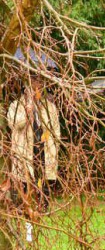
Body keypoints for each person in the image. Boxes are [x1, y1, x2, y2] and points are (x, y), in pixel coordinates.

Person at [7, 75, 60, 208]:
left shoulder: (50, 107)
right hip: (25, 148)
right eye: (34, 86)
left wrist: (55, 147)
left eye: (40, 86)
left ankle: (43, 204)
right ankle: (24, 204)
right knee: (25, 177)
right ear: (26, 88)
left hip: (44, 147)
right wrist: (27, 113)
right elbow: (13, 124)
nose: (37, 90)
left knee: (43, 175)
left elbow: (56, 130)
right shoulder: (16, 105)